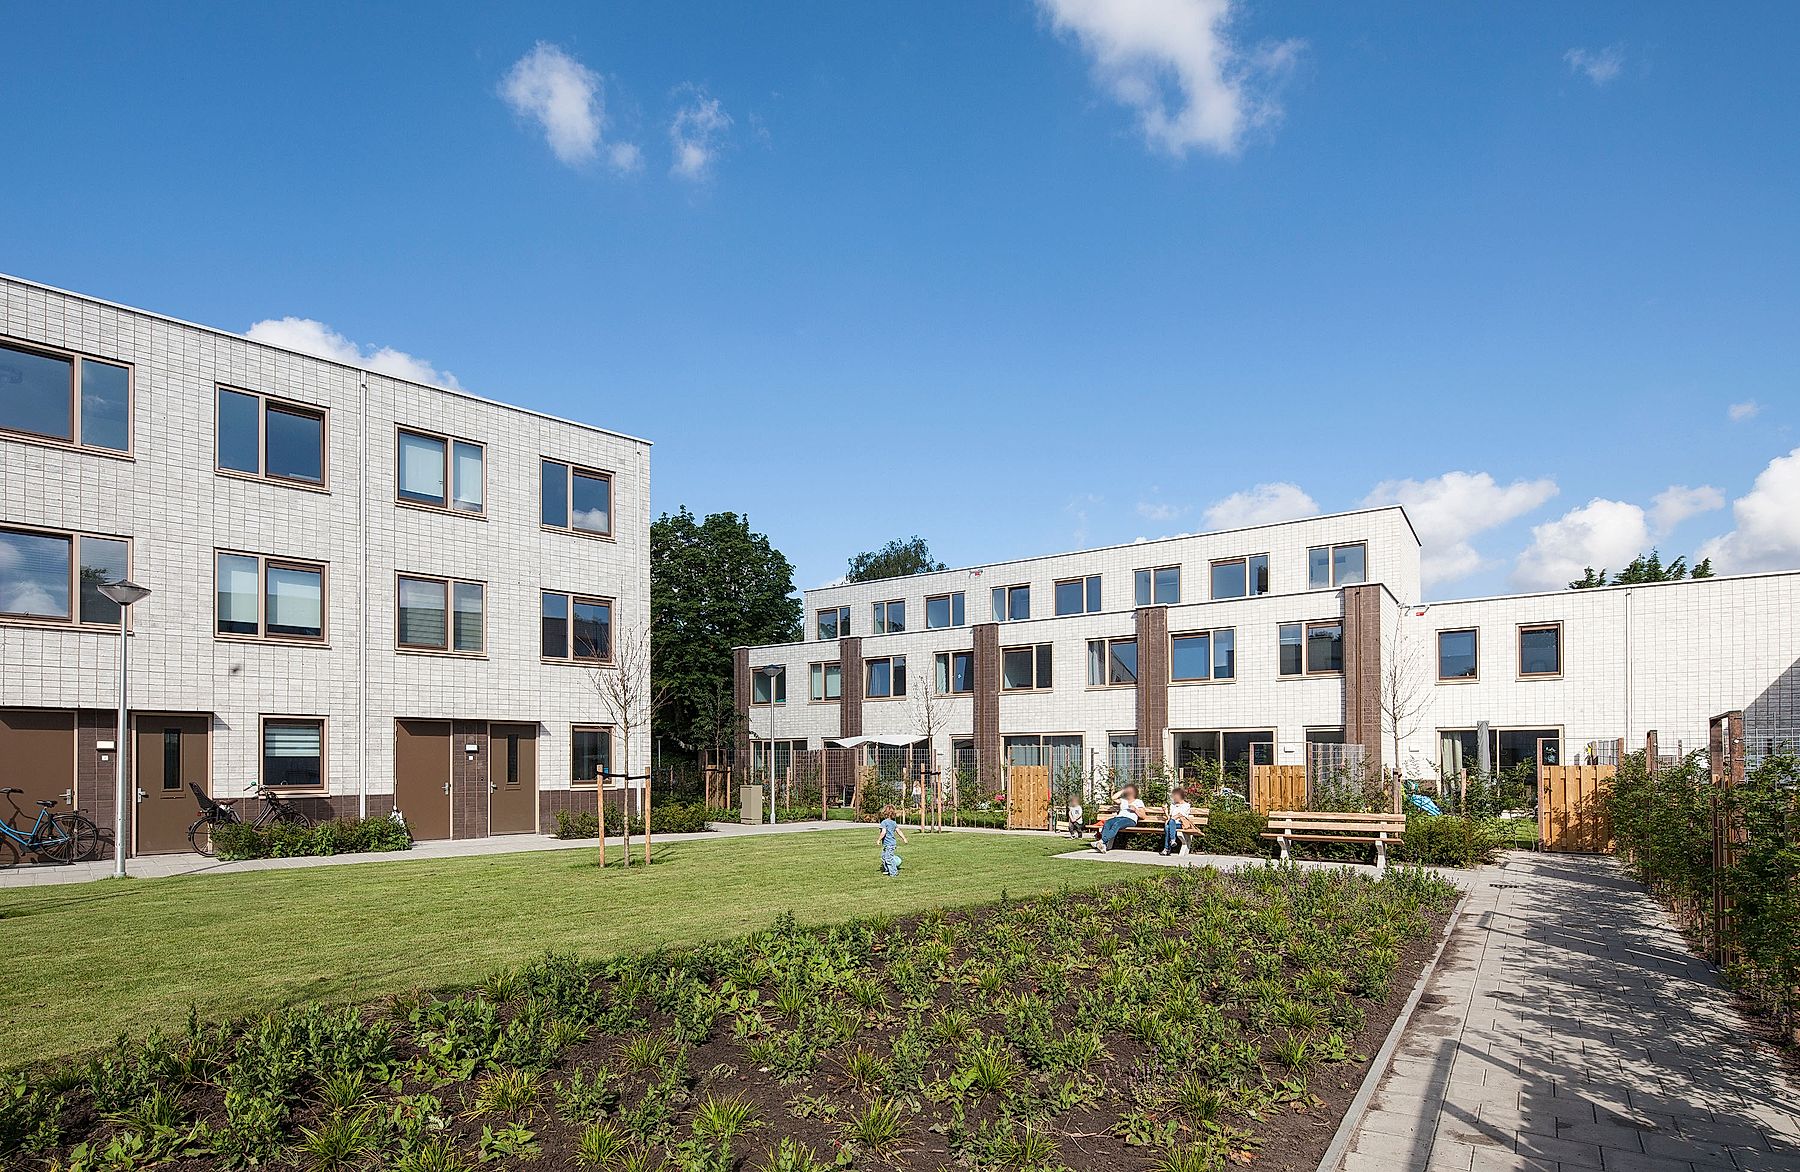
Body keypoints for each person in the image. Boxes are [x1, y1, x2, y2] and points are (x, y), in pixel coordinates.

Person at [1091, 785, 1145, 852]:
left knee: (1117, 824)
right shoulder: (1123, 800)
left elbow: (1143, 816)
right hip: (1119, 817)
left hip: (1130, 819)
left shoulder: (1138, 802)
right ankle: (1103, 845)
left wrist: (1135, 810)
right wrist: (1123, 790)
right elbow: (1113, 798)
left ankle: (1102, 841)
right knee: (1107, 823)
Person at [1161, 787, 1197, 856]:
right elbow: (1170, 817)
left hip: (1181, 824)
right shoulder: (1172, 805)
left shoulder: (1186, 805)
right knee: (1168, 826)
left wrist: (1172, 818)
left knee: (1170, 824)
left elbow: (1181, 815)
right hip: (1172, 823)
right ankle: (1172, 841)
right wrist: (1165, 811)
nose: (1173, 798)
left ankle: (1167, 848)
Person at [876, 806, 908, 876]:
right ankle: (887, 869)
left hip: (889, 845)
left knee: (888, 858)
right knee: (883, 857)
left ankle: (894, 872)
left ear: (885, 813)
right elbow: (898, 831)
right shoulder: (893, 822)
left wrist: (879, 840)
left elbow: (883, 832)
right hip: (890, 844)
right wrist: (904, 838)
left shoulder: (884, 822)